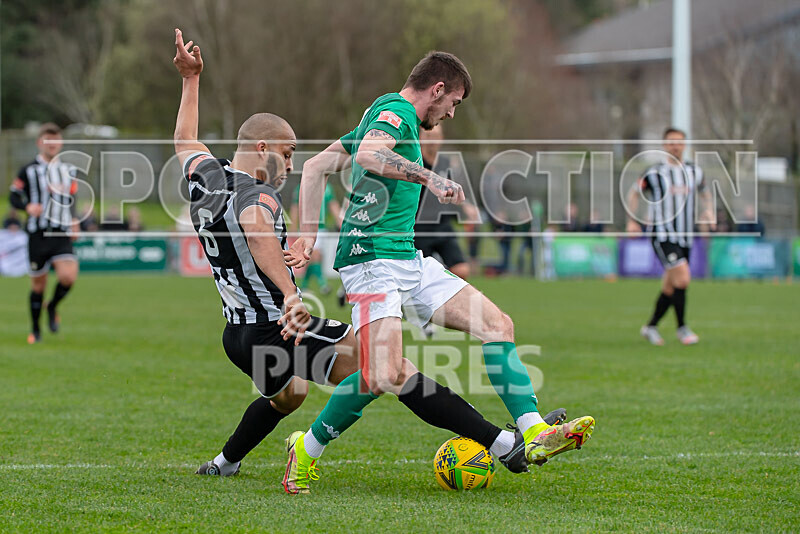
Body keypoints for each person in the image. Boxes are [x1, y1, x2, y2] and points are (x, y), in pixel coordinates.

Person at [171, 30, 565, 482]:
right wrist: (291, 296)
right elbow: (266, 233)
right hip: (288, 316)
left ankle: (225, 463)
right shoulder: (259, 195)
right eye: (286, 153)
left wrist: (190, 80)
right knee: (389, 372)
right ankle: (497, 444)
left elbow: (187, 139)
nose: (291, 163)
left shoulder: (206, 175)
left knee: (294, 395)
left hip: (241, 330)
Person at [286, 50, 595, 493]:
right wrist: (428, 177)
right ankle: (306, 448)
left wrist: (307, 235)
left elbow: (316, 166)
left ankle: (532, 432)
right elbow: (371, 156)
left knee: (497, 324)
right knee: (382, 374)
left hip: (406, 259)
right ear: (437, 90)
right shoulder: (396, 112)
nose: (451, 113)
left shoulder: (385, 114)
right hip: (370, 261)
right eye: (454, 103)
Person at [626, 127, 714, 346]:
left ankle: (651, 327)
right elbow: (634, 193)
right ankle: (682, 328)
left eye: (679, 141)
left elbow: (705, 192)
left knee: (670, 287)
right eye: (671, 141)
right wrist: (632, 220)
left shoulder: (694, 171)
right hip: (662, 234)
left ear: (685, 145)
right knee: (683, 279)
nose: (676, 145)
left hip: (685, 235)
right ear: (664, 145)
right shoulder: (654, 172)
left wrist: (709, 211)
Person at [9, 122, 80, 344]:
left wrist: (74, 219)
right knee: (38, 286)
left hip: (60, 232)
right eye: (48, 140)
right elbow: (13, 195)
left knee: (68, 277)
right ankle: (35, 330)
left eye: (56, 139)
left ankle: (52, 306)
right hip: (37, 233)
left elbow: (72, 197)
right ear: (40, 143)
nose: (52, 144)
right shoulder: (28, 170)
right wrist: (27, 206)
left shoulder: (69, 170)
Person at [414, 124, 477, 280]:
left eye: (436, 136)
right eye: (428, 136)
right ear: (420, 138)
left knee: (462, 270)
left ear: (441, 139)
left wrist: (466, 206)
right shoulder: (413, 164)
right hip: (418, 228)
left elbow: (453, 189)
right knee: (420, 276)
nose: (432, 141)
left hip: (442, 225)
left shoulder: (446, 163)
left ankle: (442, 287)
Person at [290, 182, 341, 295]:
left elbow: (333, 205)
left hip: (321, 228)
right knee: (315, 255)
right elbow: (295, 207)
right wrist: (293, 226)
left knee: (313, 257)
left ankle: (304, 285)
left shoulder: (327, 188)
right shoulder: (301, 187)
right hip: (306, 227)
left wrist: (340, 222)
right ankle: (323, 284)